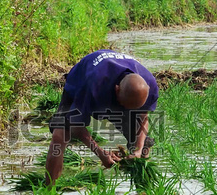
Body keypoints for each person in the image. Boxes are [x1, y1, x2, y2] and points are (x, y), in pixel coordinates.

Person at [45, 50, 159, 185]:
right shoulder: (93, 84)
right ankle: (49, 191)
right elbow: (76, 126)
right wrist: (99, 152)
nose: (126, 111)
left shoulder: (150, 86)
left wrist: (138, 150)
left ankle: (142, 194)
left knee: (142, 143)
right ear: (117, 90)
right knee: (60, 135)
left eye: (132, 108)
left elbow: (142, 118)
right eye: (124, 106)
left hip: (117, 90)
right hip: (82, 81)